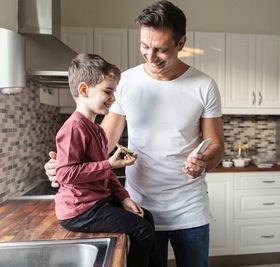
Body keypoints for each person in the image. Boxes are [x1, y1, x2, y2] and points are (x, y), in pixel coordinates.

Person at [45, 1, 225, 266]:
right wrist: (64, 164)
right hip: (139, 205)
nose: (150, 57)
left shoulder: (204, 85)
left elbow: (217, 146)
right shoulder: (127, 81)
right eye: (144, 46)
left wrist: (204, 162)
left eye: (161, 49)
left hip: (190, 209)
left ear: (181, 42)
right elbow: (103, 143)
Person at [54, 53, 157, 267]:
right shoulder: (74, 128)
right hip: (80, 210)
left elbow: (106, 173)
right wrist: (108, 163)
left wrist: (124, 197)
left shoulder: (98, 131)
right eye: (107, 91)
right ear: (84, 90)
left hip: (98, 203)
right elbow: (65, 174)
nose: (112, 98)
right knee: (143, 229)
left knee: (147, 218)